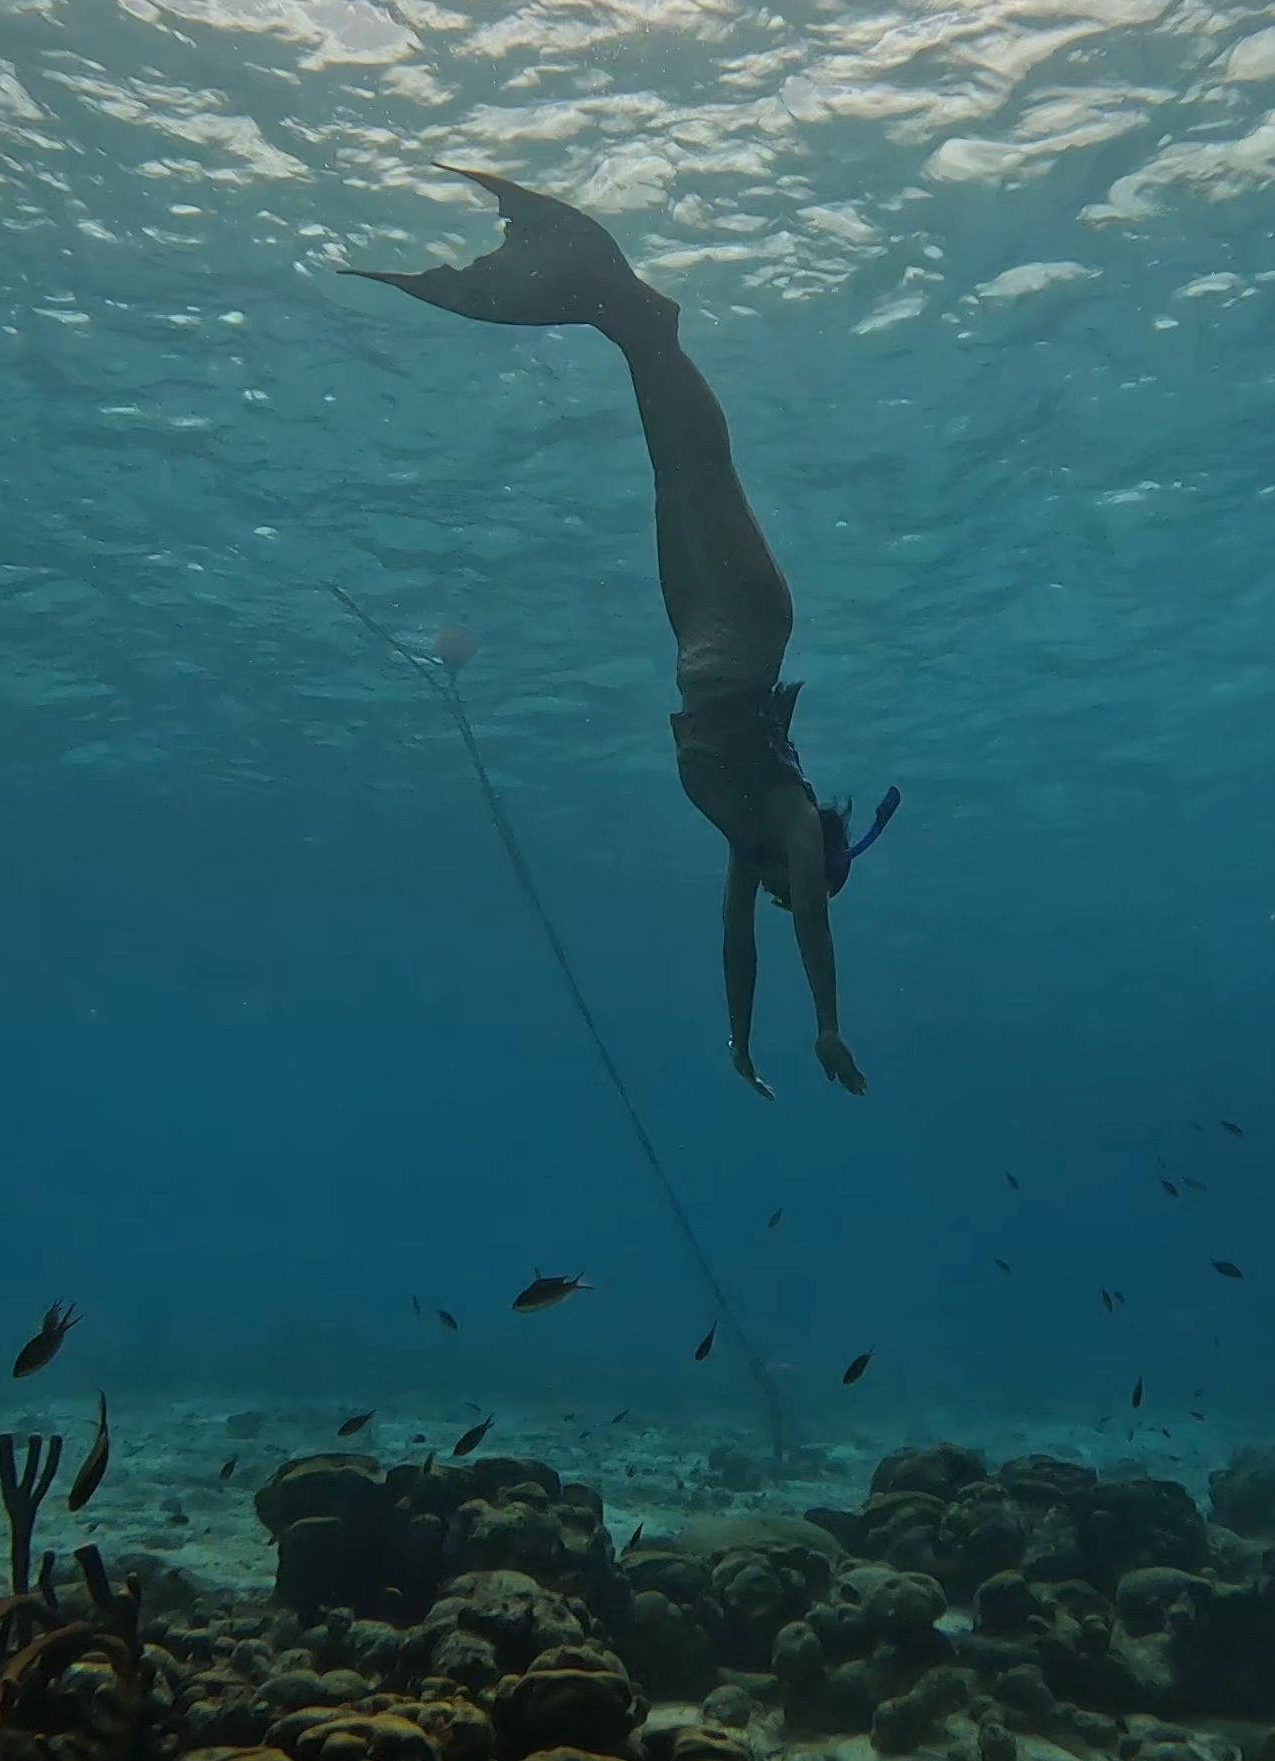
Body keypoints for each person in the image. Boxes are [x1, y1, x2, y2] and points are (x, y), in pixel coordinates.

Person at [351, 169, 897, 1096]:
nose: (780, 892)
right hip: (745, 627)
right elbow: (807, 920)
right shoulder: (791, 825)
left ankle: (627, 322)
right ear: (827, 861)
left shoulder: (746, 838)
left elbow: (736, 943)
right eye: (802, 882)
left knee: (673, 469)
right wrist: (830, 1029)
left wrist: (741, 1044)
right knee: (699, 471)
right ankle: (643, 320)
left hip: (704, 640)